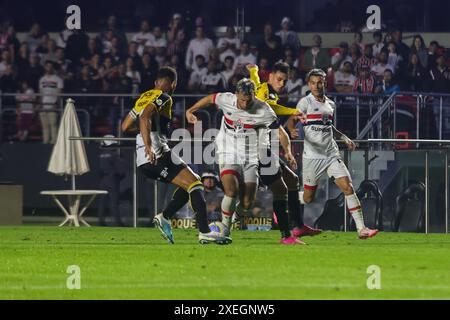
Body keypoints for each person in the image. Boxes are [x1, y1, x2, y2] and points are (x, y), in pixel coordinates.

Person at [121, 66, 226, 245]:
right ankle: (204, 232)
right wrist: (149, 146)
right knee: (195, 186)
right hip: (155, 156)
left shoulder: (144, 97)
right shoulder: (164, 97)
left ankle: (165, 217)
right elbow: (145, 118)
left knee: (193, 183)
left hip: (155, 155)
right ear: (174, 84)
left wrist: (145, 135)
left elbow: (125, 127)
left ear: (156, 83)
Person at [186, 78, 299, 244]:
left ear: (254, 95)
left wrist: (288, 151)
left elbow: (279, 132)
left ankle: (232, 218)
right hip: (227, 152)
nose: (245, 104)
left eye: (249, 99)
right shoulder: (227, 99)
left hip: (251, 156)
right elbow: (210, 98)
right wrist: (191, 110)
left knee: (247, 203)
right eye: (242, 99)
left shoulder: (263, 109)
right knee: (231, 191)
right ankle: (225, 231)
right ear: (236, 94)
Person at [287, 69, 379, 240]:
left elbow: (329, 127)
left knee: (348, 187)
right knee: (308, 198)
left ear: (325, 83)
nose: (316, 86)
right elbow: (291, 120)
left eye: (319, 82)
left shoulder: (330, 104)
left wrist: (343, 137)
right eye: (313, 83)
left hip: (331, 154)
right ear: (309, 84)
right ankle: (286, 201)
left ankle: (362, 229)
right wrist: (292, 130)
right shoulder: (304, 103)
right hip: (312, 158)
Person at [247, 62, 322, 242]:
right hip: (254, 150)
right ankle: (286, 234)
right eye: (279, 79)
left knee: (291, 179)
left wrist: (253, 70)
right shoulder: (267, 93)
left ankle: (297, 226)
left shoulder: (262, 88)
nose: (281, 83)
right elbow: (272, 109)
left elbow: (278, 128)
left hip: (263, 149)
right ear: (271, 76)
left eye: (284, 81)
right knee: (278, 190)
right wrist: (294, 111)